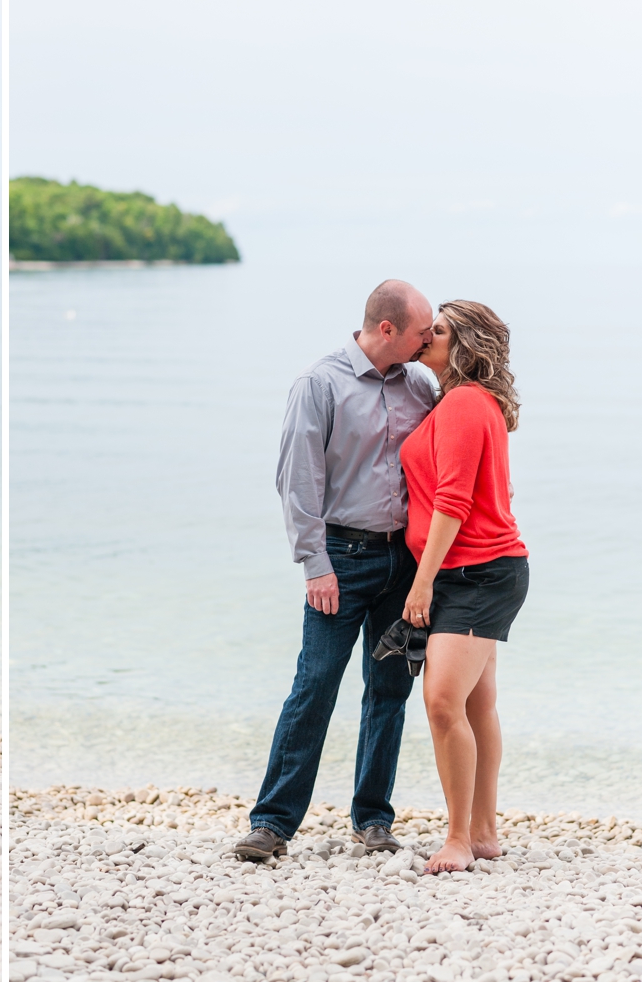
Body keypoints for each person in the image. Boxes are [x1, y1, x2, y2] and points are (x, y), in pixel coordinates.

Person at [229, 280, 438, 862]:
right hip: (340, 561)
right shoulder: (319, 385)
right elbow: (296, 480)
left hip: (405, 562)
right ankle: (272, 823)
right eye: (422, 331)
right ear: (388, 329)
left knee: (389, 690)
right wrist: (314, 564)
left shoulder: (420, 383)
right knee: (315, 685)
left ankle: (373, 818)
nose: (429, 341)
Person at [399, 300, 528, 874]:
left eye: (440, 332)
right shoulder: (471, 403)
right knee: (477, 703)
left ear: (465, 346)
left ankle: (456, 839)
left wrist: (421, 584)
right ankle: (482, 832)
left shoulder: (462, 402)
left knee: (442, 702)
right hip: (481, 566)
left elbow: (453, 501)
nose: (427, 337)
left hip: (473, 571)